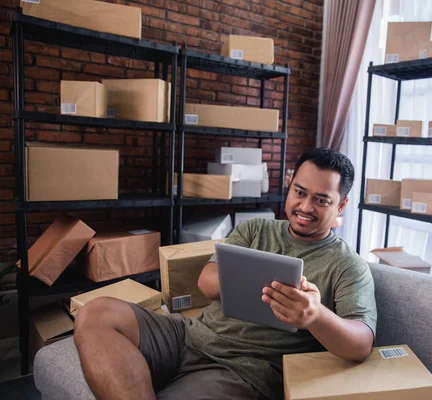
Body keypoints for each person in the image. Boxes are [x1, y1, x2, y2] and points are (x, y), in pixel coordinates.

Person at [74, 147, 377, 400]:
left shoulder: (348, 265)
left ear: (342, 205)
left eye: (322, 200)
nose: (305, 206)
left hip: (246, 369)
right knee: (96, 313)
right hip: (189, 336)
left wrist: (314, 316)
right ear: (290, 186)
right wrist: (247, 277)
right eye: (300, 192)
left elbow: (361, 344)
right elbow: (205, 283)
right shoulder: (254, 229)